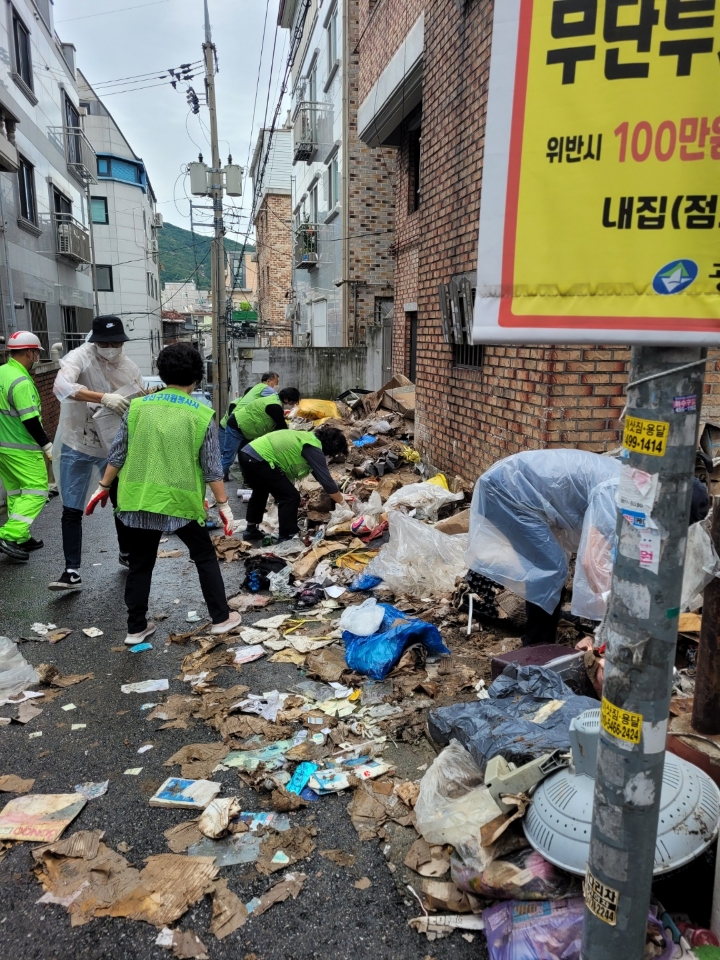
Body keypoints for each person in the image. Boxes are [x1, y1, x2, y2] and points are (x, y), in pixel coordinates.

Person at [466, 449, 709, 646]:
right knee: (550, 570)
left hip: (529, 493)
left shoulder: (649, 488)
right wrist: (614, 616)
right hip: (508, 491)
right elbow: (592, 562)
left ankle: (545, 635)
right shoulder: (619, 491)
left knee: (550, 568)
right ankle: (537, 650)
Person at [86, 342, 240, 645]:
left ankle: (136, 629)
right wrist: (224, 505)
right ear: (197, 376)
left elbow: (117, 454)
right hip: (180, 504)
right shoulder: (200, 414)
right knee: (204, 556)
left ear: (162, 373)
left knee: (140, 563)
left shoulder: (138, 408)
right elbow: (211, 468)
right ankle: (221, 618)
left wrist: (102, 488)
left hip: (139, 500)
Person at [49, 316, 144, 591]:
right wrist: (102, 397)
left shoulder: (128, 366)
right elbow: (62, 387)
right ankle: (71, 570)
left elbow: (138, 401)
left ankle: (126, 552)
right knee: (71, 507)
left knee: (120, 500)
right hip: (77, 441)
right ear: (95, 342)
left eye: (116, 342)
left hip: (112, 445)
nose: (111, 347)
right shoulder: (79, 357)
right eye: (105, 342)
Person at [239, 425, 348, 542]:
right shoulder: (313, 448)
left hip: (247, 454)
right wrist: (343, 503)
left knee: (260, 491)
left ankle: (251, 529)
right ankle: (287, 536)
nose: (330, 457)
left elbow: (321, 477)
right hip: (260, 459)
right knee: (290, 497)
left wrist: (338, 493)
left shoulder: (308, 438)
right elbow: (327, 482)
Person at [0, 331, 52, 561]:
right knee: (37, 491)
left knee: (16, 492)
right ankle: (9, 534)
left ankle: (20, 536)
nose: (37, 357)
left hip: (4, 446)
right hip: (22, 448)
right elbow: (30, 419)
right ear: (30, 352)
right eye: (36, 353)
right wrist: (47, 446)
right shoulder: (20, 381)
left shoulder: (2, 372)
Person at [221, 371, 280, 480]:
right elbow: (277, 398)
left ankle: (247, 480)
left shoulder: (257, 389)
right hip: (237, 424)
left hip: (244, 426)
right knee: (228, 457)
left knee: (246, 455)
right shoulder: (264, 388)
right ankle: (216, 480)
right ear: (268, 381)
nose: (276, 386)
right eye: (276, 383)